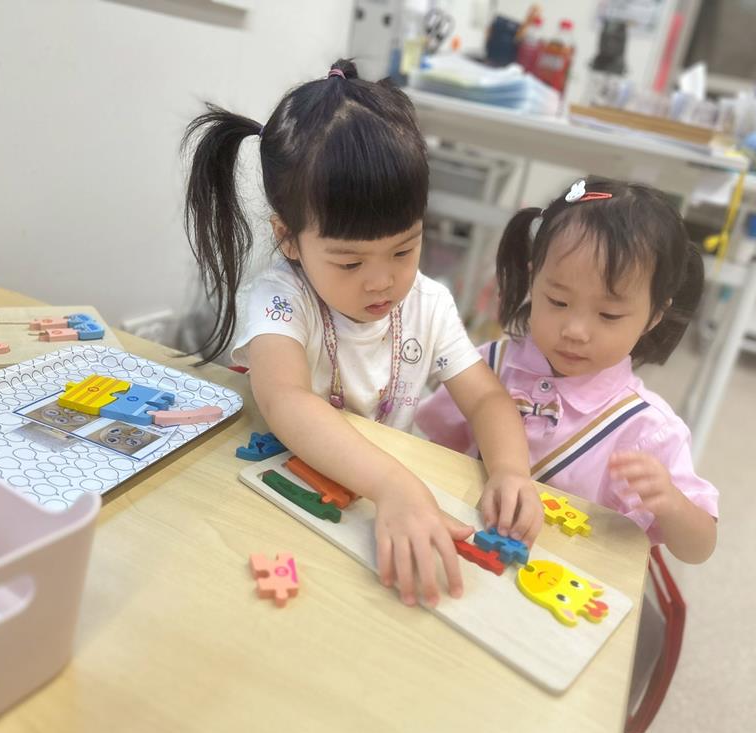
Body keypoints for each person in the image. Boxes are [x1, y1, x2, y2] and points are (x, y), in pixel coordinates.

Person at [183, 60, 543, 606]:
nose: (382, 281)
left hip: (369, 511)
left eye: (404, 249)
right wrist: (393, 485)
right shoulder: (280, 298)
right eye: (350, 263)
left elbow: (487, 399)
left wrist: (513, 471)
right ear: (289, 239)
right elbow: (285, 400)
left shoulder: (428, 302)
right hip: (282, 500)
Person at [417, 178, 717, 563]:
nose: (575, 331)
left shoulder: (648, 428)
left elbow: (699, 548)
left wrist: (672, 504)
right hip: (465, 558)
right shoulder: (488, 365)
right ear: (533, 280)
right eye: (558, 301)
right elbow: (432, 452)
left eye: (608, 314)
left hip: (565, 585)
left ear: (654, 316)